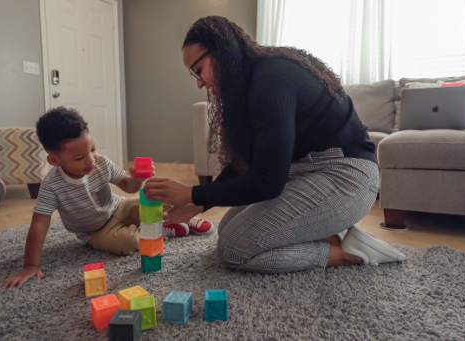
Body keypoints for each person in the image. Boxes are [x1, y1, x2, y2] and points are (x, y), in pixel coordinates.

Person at [143, 16, 406, 274]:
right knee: (228, 228)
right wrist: (200, 205)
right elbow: (245, 164)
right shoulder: (250, 82)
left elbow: (268, 181)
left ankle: (347, 253)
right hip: (312, 169)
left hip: (349, 176)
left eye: (198, 71)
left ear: (220, 51)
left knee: (234, 247)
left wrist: (192, 194)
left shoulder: (269, 80)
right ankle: (329, 232)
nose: (200, 83)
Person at [2, 107, 213, 289]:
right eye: (79, 157)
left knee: (155, 196)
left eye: (92, 149)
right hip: (94, 231)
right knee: (129, 241)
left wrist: (138, 178)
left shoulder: (101, 163)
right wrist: (30, 266)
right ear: (55, 160)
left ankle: (183, 218)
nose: (91, 160)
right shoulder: (51, 185)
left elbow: (128, 187)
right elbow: (39, 224)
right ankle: (161, 229)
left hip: (118, 208)